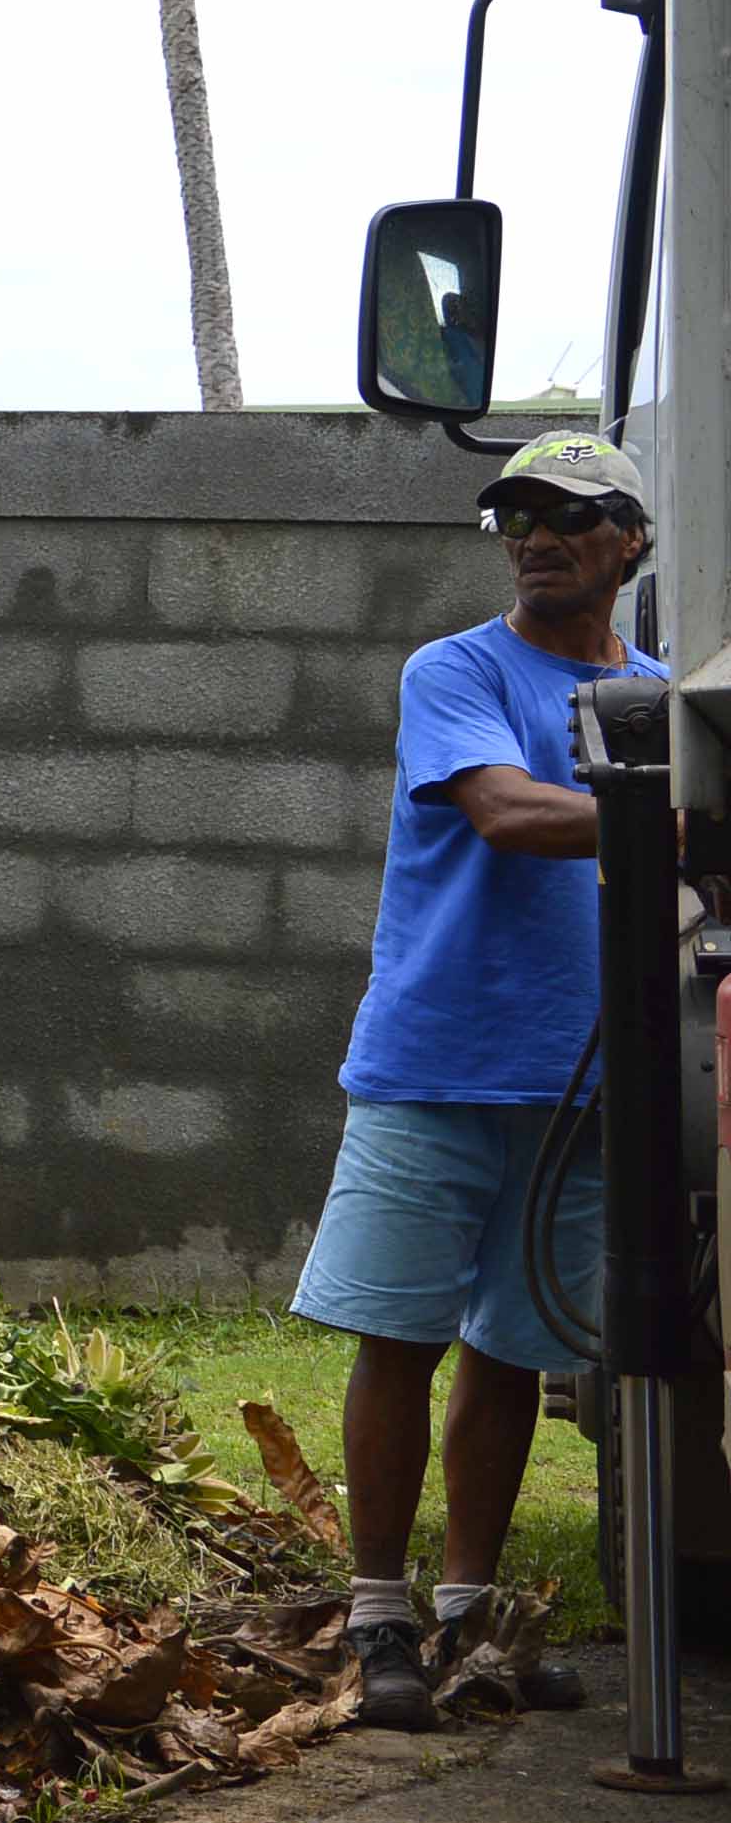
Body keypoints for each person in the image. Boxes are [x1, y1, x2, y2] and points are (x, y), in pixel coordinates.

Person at [292, 429, 663, 1731]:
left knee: (510, 1349)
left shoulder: (662, 698)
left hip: (585, 1087)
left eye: (570, 515)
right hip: (437, 1065)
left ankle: (465, 1614)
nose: (536, 535)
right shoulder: (455, 670)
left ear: (631, 541)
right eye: (517, 514)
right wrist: (685, 817)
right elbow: (507, 812)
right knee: (401, 1334)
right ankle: (378, 1612)